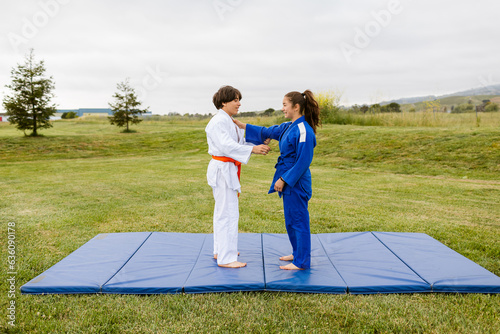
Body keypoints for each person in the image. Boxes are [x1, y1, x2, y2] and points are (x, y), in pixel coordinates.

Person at [234, 90, 319, 270]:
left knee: (298, 220)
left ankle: (302, 261)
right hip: (288, 181)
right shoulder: (289, 126)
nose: (282, 109)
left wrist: (284, 180)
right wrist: (243, 126)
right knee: (290, 220)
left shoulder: (304, 130)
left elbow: (303, 162)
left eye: (285, 105)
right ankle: (297, 254)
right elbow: (268, 131)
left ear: (296, 107)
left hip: (296, 182)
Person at [206, 85, 270, 268]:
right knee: (227, 212)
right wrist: (253, 149)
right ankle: (226, 258)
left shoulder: (228, 121)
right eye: (235, 100)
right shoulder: (218, 122)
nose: (239, 103)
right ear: (224, 102)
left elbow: (238, 143)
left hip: (226, 169)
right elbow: (227, 146)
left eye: (239, 99)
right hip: (223, 170)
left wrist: (256, 143)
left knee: (222, 212)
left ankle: (220, 249)